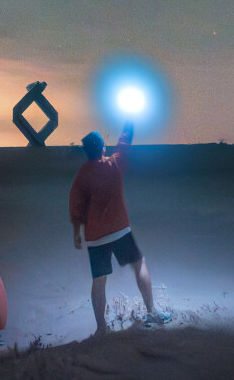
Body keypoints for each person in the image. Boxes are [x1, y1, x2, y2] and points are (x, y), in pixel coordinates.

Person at [69, 119, 165, 332]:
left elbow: (76, 204)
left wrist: (77, 232)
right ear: (102, 147)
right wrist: (129, 124)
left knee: (99, 281)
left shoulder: (82, 174)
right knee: (139, 265)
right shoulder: (114, 164)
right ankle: (152, 312)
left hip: (95, 237)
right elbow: (124, 144)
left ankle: (101, 328)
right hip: (120, 229)